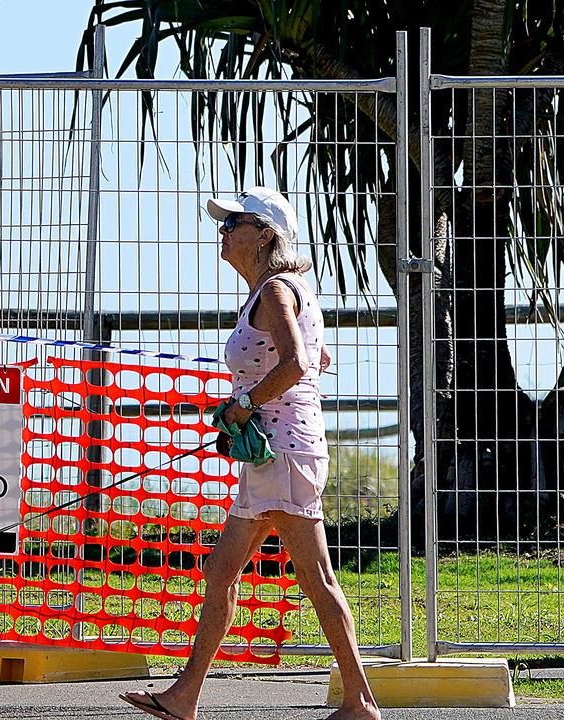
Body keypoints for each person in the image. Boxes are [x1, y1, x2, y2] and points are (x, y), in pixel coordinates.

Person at [119, 187, 381, 720]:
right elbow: (319, 355)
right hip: (276, 453)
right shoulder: (280, 290)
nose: (222, 230)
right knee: (221, 570)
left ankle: (361, 702)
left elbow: (297, 363)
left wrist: (243, 404)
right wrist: (253, 405)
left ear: (264, 235)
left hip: (283, 454)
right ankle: (184, 697)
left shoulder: (276, 292)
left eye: (233, 221)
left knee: (317, 579)